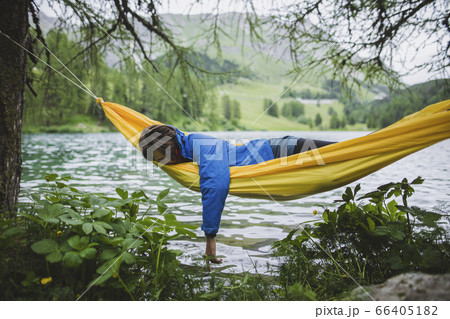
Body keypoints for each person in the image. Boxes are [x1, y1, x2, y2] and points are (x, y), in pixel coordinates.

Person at [139, 124, 335, 263]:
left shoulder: (201, 144)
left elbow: (215, 184)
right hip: (275, 154)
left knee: (345, 152)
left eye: (160, 159)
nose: (162, 165)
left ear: (170, 148)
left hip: (281, 151)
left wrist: (210, 237)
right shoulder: (185, 149)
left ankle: (367, 146)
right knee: (341, 153)